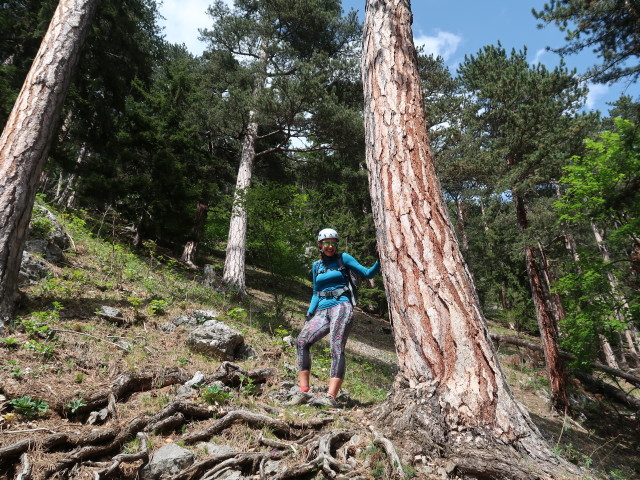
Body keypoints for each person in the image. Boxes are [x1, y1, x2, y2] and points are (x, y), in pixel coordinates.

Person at [295, 228, 380, 406]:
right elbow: (316, 293)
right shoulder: (316, 266)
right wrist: (309, 314)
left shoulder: (344, 258)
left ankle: (330, 397)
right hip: (321, 311)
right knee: (302, 341)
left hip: (341, 306)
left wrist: (380, 259)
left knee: (336, 345)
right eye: (326, 243)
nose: (330, 246)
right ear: (320, 244)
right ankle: (303, 392)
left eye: (333, 243)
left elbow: (367, 274)